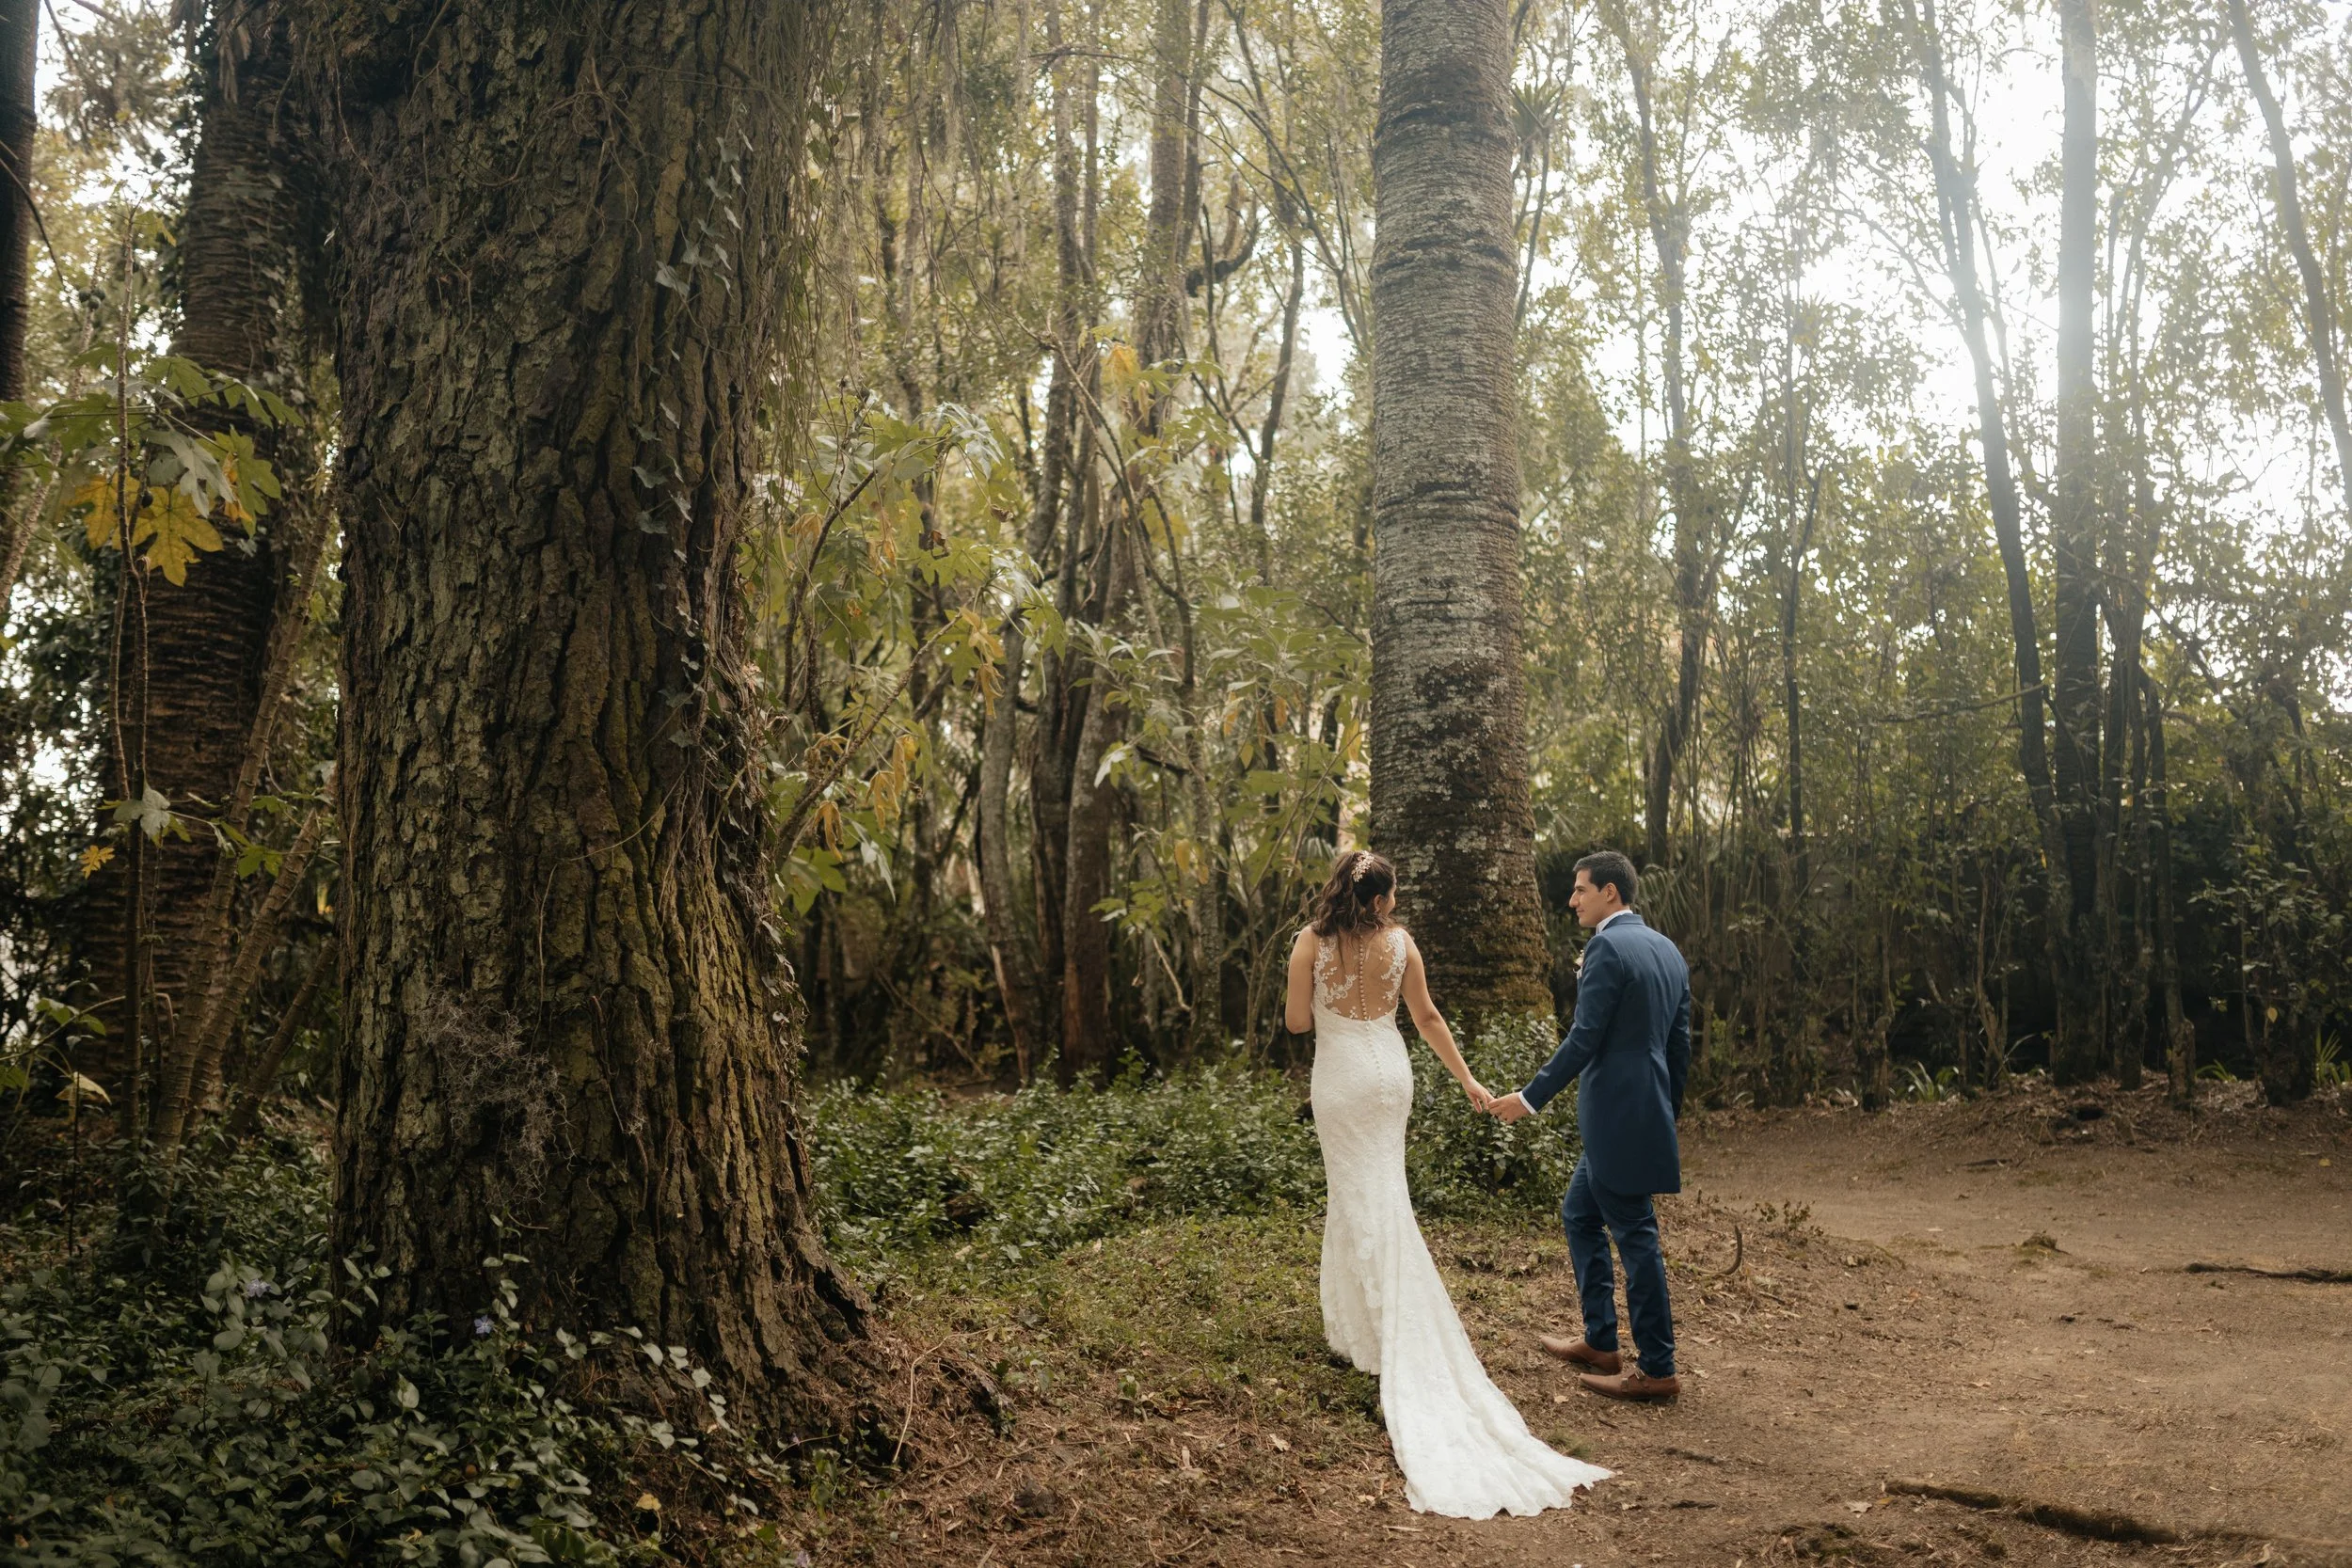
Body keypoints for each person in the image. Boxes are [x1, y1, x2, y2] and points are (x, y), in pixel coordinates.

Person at [1286, 848, 1610, 1516]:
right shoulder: (1403, 945)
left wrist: (1324, 995)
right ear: (1379, 899)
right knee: (1384, 1197)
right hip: (1391, 1075)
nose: (1395, 906)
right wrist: (1467, 1078)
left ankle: (1374, 1333)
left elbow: (1296, 1023)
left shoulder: (1308, 943)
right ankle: (1364, 1329)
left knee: (1356, 1197)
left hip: (1341, 1080)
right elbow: (1427, 1017)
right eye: (1393, 895)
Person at [1487, 849, 1692, 1402]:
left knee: (1636, 1237)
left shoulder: (1605, 946)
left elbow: (1584, 1038)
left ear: (1611, 893)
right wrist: (1663, 1112)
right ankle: (1601, 1339)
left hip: (1614, 1114)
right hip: (1642, 1114)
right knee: (1579, 1213)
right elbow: (1679, 1046)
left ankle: (1657, 1368)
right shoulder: (1669, 951)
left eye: (1580, 889)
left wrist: (1529, 1099)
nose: (1572, 899)